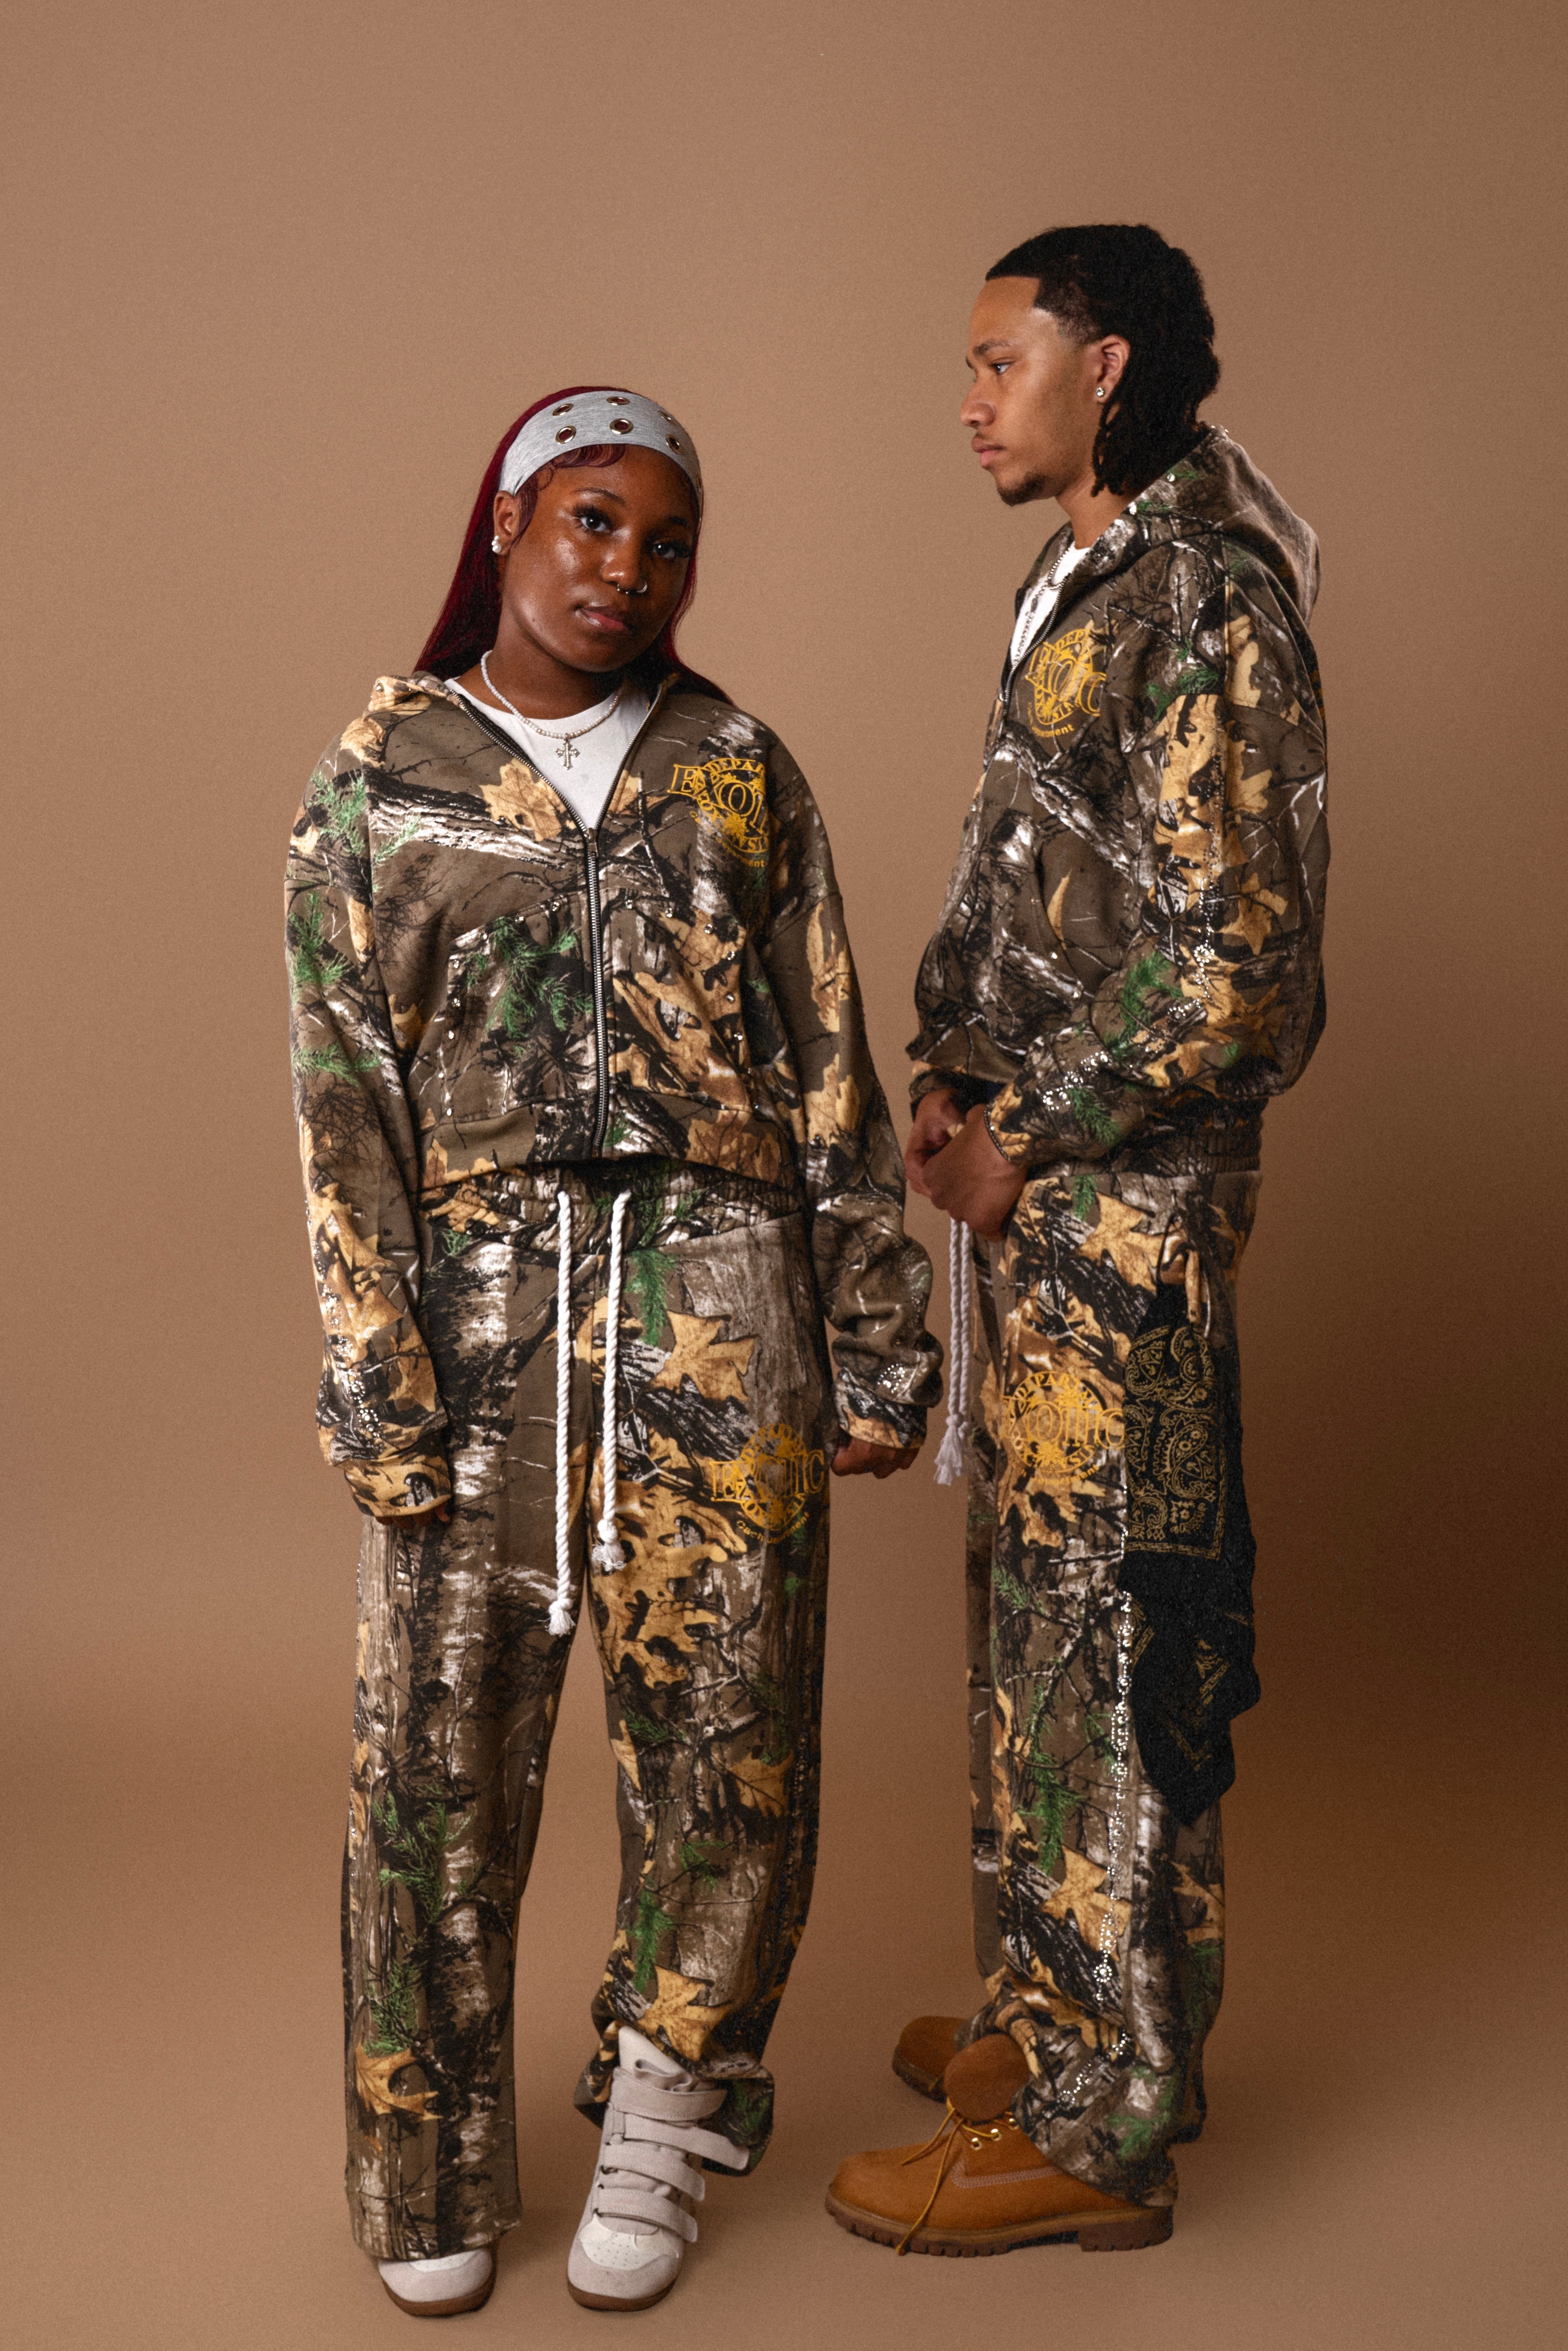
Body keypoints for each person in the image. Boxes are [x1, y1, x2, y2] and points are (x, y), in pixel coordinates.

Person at [286, 386, 940, 2315]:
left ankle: (665, 2107)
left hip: (720, 1307)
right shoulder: (379, 775)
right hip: (477, 1318)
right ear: (506, 521)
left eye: (667, 543)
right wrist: (378, 1371)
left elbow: (829, 1069)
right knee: (435, 1766)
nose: (626, 569)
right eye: (591, 520)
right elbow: (342, 1105)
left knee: (729, 1744)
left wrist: (875, 1335)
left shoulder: (737, 771)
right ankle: (425, 2153)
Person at [827, 226, 1328, 2256]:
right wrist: (961, 1076)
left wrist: (1027, 1129)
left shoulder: (1205, 593)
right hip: (1049, 1213)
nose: (968, 399)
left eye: (997, 361)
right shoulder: (1094, 573)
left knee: (1118, 1638)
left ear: (1105, 364)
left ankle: (1100, 2125)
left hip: (1129, 1232)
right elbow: (1071, 901)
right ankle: (1071, 2022)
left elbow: (1243, 971)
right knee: (1055, 1637)